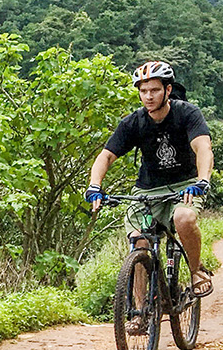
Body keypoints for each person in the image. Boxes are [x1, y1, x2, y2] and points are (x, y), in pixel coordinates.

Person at [85, 60, 215, 320]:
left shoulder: (187, 114)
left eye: (154, 90)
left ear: (168, 90)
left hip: (184, 186)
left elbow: (203, 148)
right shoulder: (134, 122)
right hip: (147, 190)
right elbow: (106, 156)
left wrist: (201, 180)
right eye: (143, 91)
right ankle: (139, 311)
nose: (148, 96)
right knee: (139, 242)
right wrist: (94, 186)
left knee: (184, 218)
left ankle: (196, 270)